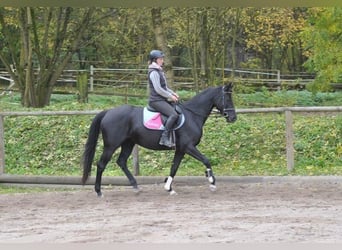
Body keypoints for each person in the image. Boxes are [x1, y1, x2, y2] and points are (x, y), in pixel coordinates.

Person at [147, 49, 179, 147]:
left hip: (161, 99)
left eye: (162, 59)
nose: (162, 61)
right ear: (154, 60)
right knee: (173, 115)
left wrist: (173, 93)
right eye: (160, 59)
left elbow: (164, 87)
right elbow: (158, 89)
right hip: (155, 101)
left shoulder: (159, 70)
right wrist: (170, 96)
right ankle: (164, 137)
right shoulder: (154, 72)